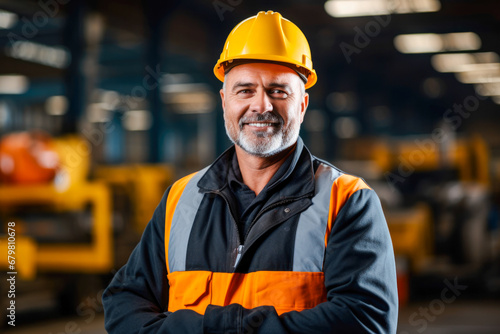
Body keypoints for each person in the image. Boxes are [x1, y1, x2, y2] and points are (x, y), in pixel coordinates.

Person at [103, 10, 398, 333]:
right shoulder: (180, 200)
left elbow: (365, 320)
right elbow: (124, 301)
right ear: (224, 101)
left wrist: (224, 327)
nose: (261, 106)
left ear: (302, 104)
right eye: (245, 90)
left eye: (278, 91)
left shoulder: (347, 201)